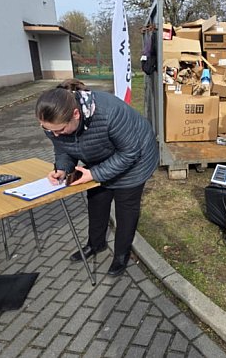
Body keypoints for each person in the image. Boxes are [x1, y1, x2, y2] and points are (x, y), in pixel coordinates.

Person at [36, 79, 158, 276]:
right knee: (96, 201)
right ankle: (96, 244)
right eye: (48, 130)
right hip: (101, 155)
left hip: (136, 159)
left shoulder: (110, 112)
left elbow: (129, 153)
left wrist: (93, 174)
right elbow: (63, 149)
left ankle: (121, 256)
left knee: (125, 209)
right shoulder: (54, 125)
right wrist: (62, 169)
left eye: (59, 130)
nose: (54, 135)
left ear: (76, 114)